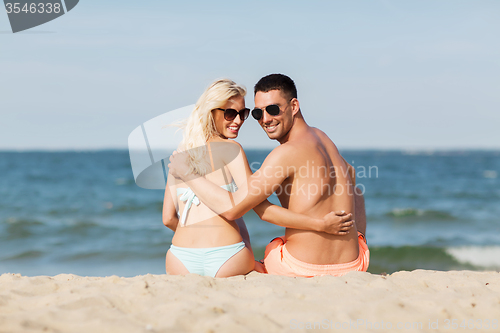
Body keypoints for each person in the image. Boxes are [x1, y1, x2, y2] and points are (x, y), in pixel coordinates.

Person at [168, 74, 369, 277]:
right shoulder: (322, 138)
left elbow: (234, 210)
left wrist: (187, 173)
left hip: (301, 266)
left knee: (268, 253)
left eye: (273, 110)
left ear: (294, 106)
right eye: (257, 113)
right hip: (354, 264)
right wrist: (358, 235)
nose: (265, 119)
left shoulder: (284, 154)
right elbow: (353, 182)